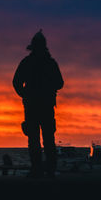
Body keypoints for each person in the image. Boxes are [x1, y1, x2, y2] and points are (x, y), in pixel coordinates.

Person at [13, 30, 64, 178]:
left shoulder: (28, 62)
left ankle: (38, 168)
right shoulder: (50, 63)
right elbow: (60, 83)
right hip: (42, 105)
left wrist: (26, 95)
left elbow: (16, 83)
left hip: (34, 106)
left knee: (36, 138)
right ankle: (49, 169)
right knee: (47, 138)